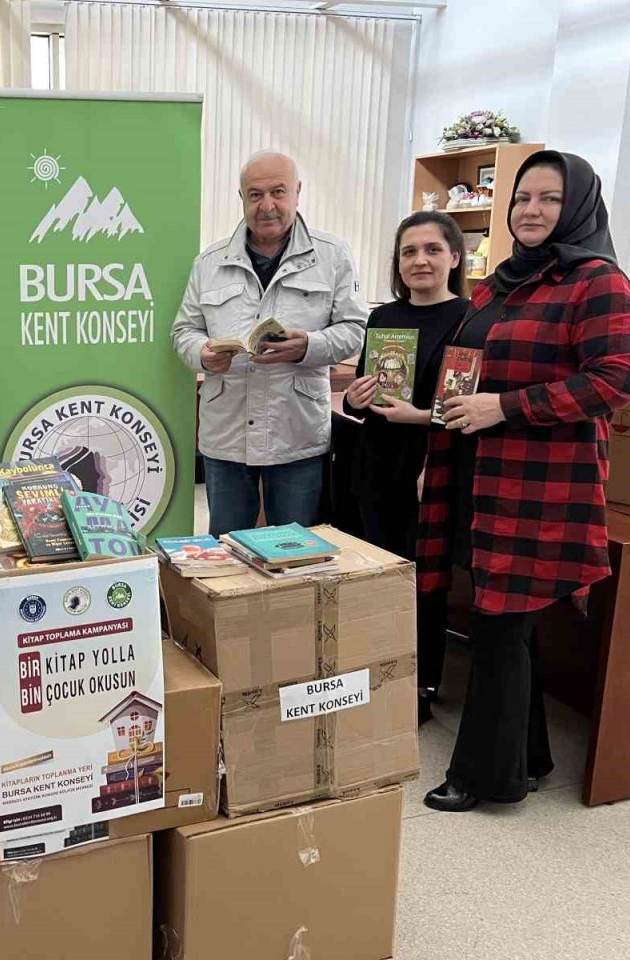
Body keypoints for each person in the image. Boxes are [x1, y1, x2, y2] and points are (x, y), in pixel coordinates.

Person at [418, 151, 630, 812]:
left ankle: (486, 781)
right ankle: (532, 756)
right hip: (477, 478)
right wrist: (437, 421)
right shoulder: (498, 283)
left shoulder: (598, 282)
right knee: (507, 626)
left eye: (548, 198)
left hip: (539, 488)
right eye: (522, 199)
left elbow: (613, 384)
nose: (532, 211)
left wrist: (504, 407)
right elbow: (465, 369)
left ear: (576, 206)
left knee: (498, 627)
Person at [173, 151, 367, 536]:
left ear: (297, 192)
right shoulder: (209, 262)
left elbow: (355, 329)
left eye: (278, 192)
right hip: (226, 434)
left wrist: (308, 346)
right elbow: (184, 331)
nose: (267, 206)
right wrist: (202, 354)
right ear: (241, 198)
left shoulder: (332, 256)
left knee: (294, 550)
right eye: (255, 194)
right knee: (225, 550)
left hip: (296, 431)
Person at [343, 211, 469, 723]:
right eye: (409, 251)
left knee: (423, 578)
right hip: (377, 458)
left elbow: (466, 404)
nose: (420, 260)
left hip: (429, 463)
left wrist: (420, 417)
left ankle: (420, 685)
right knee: (378, 567)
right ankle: (377, 670)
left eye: (432, 250)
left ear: (454, 258)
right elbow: (360, 393)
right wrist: (354, 396)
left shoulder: (470, 317)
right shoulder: (383, 319)